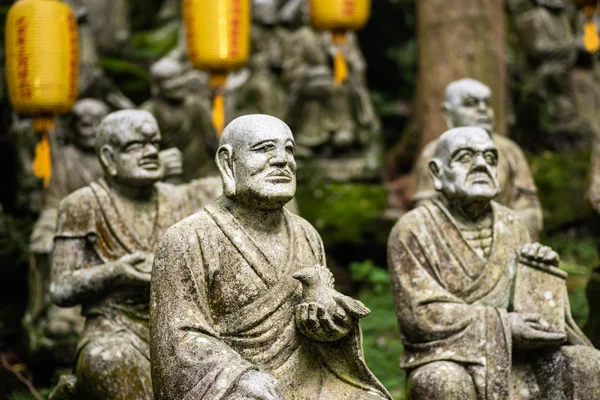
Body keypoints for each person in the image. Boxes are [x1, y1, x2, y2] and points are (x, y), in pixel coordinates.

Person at [150, 114, 390, 400]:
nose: (282, 160)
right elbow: (178, 338)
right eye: (264, 148)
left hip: (308, 375)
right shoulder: (189, 237)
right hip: (234, 384)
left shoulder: (306, 233)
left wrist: (331, 327)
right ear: (227, 162)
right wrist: (241, 376)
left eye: (289, 149)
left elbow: (317, 329)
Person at [389, 127, 600, 400]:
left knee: (587, 364)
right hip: (455, 356)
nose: (481, 164)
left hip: (520, 355)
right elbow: (419, 316)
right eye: (466, 157)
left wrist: (541, 277)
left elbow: (535, 310)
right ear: (437, 173)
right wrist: (505, 327)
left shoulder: (514, 224)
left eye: (489, 157)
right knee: (441, 382)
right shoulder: (412, 229)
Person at [50, 110, 220, 399]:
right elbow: (61, 287)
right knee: (110, 361)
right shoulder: (82, 204)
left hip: (179, 329)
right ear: (108, 157)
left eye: (155, 142)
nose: (151, 151)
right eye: (136, 146)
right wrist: (115, 272)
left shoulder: (180, 198)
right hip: (115, 329)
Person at [412, 78, 543, 238]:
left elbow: (528, 207)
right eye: (470, 104)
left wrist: (509, 237)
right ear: (448, 113)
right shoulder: (434, 152)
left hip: (503, 237)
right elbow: (425, 209)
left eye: (487, 103)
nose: (483, 109)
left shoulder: (510, 150)